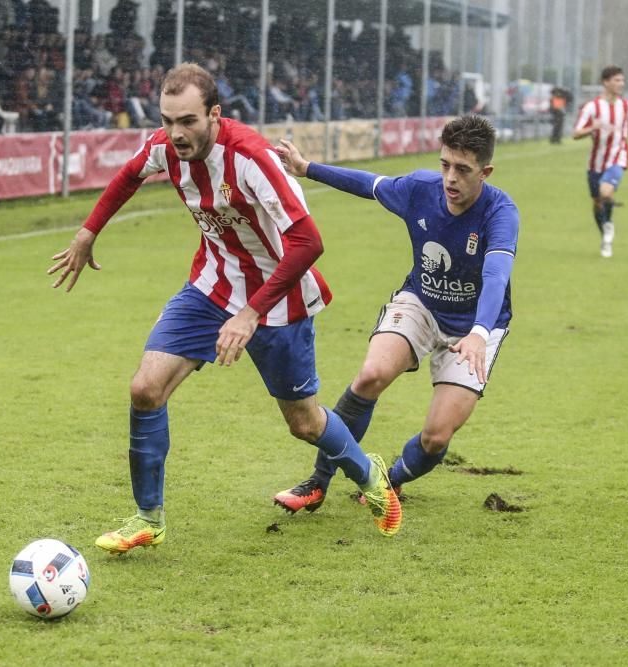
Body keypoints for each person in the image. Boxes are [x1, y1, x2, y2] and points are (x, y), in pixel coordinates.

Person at [47, 63, 402, 555]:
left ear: (215, 114)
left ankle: (368, 474)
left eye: (188, 121)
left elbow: (308, 241)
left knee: (303, 423)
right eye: (168, 120)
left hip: (280, 300)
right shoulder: (164, 148)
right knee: (145, 389)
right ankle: (148, 519)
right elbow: (129, 176)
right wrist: (88, 232)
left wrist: (251, 313)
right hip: (211, 287)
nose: (176, 133)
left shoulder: (252, 159)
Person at [272, 115, 518, 514]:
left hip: (477, 327)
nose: (450, 178)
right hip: (420, 302)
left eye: (463, 169)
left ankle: (391, 481)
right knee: (370, 375)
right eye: (445, 165)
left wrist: (477, 332)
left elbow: (496, 275)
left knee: (436, 438)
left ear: (485, 172)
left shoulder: (500, 212)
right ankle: (317, 482)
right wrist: (306, 169)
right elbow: (368, 184)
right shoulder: (420, 189)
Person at [572, 66, 628, 258]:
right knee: (597, 202)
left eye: (622, 80)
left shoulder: (627, 106)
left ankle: (608, 228)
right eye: (617, 80)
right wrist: (593, 127)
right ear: (606, 82)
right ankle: (606, 231)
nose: (621, 84)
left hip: (618, 156)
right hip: (595, 162)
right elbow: (576, 133)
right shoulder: (592, 107)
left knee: (606, 191)